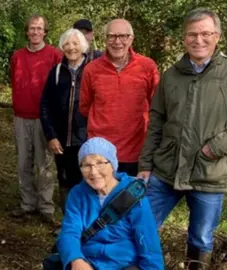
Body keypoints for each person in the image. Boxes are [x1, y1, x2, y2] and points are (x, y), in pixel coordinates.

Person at [137, 8, 227, 269]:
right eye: (192, 34)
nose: (199, 40)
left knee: (201, 238)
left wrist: (216, 148)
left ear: (216, 36)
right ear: (184, 38)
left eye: (205, 33)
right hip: (166, 170)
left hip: (209, 173)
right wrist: (145, 165)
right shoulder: (171, 75)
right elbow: (156, 122)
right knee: (141, 225)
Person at [58, 137, 164, 269]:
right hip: (88, 262)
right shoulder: (78, 194)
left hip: (124, 264)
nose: (94, 172)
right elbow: (70, 231)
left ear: (113, 165)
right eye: (86, 165)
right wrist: (75, 259)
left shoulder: (133, 195)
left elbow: (148, 242)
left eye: (100, 163)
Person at [79, 19, 159, 177]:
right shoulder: (91, 69)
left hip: (136, 151)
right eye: (112, 36)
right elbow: (85, 107)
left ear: (131, 39)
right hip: (100, 152)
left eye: (123, 36)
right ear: (105, 39)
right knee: (101, 200)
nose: (117, 42)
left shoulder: (147, 67)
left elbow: (156, 107)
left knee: (131, 200)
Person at [10, 14, 62, 222]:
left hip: (44, 118)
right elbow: (13, 79)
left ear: (45, 32)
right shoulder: (17, 56)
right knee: (24, 162)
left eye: (39, 28)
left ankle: (46, 206)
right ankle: (27, 203)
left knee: (44, 164)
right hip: (21, 116)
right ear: (27, 31)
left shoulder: (54, 56)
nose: (35, 32)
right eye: (32, 28)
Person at [40, 28, 89, 213]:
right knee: (65, 180)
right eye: (67, 44)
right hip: (61, 141)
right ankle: (68, 223)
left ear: (82, 46)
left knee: (86, 180)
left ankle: (88, 224)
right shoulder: (57, 72)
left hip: (85, 139)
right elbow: (45, 105)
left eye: (75, 43)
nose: (71, 48)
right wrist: (51, 135)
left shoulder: (92, 69)